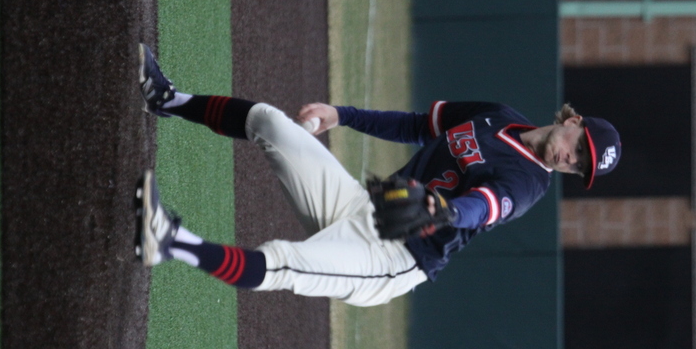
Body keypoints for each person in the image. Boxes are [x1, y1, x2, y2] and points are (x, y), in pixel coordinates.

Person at [135, 43, 622, 307]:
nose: (571, 159)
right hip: (362, 207)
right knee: (269, 122)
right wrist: (341, 115)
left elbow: (482, 210)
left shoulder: (528, 184)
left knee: (282, 263)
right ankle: (167, 100)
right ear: (573, 121)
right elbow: (416, 126)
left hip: (392, 260)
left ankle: (171, 241)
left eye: (580, 165)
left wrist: (446, 210)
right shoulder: (499, 115)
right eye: (579, 147)